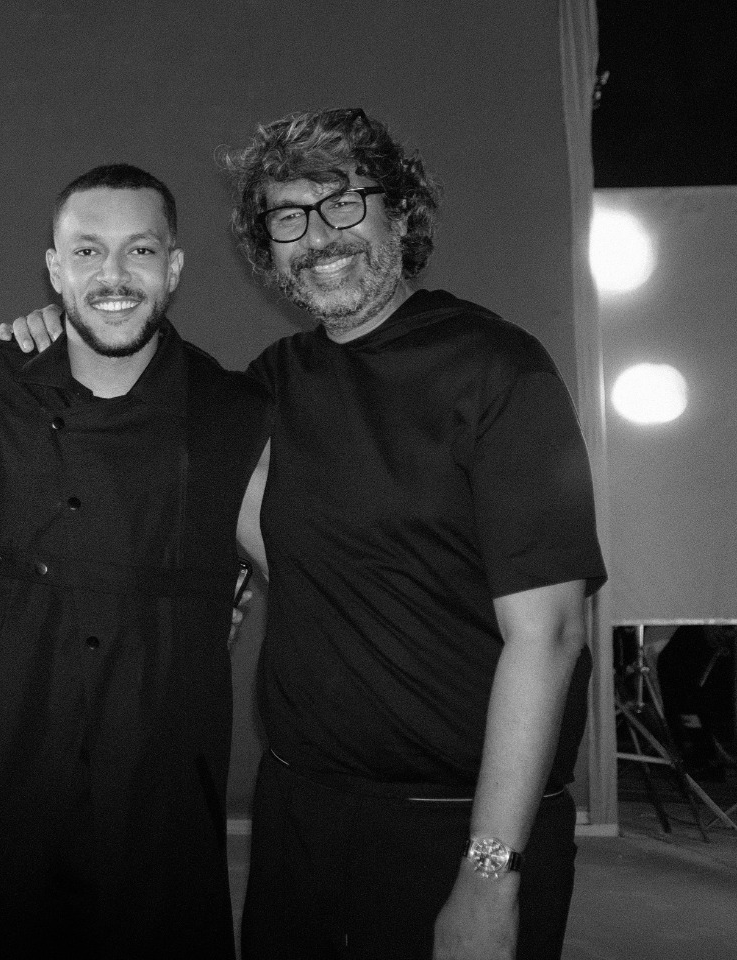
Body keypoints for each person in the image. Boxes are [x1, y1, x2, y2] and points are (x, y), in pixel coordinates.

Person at [226, 108, 606, 960]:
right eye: (288, 217)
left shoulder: (498, 368)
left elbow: (549, 636)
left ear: (399, 213)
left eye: (343, 203)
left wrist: (489, 873)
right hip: (300, 817)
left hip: (460, 826)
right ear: (268, 251)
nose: (318, 237)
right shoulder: (274, 384)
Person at [0, 164, 271, 957]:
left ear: (173, 268)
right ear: (55, 269)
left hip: (156, 826)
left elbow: (315, 574)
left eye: (139, 250)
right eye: (87, 252)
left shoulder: (234, 415)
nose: (113, 275)